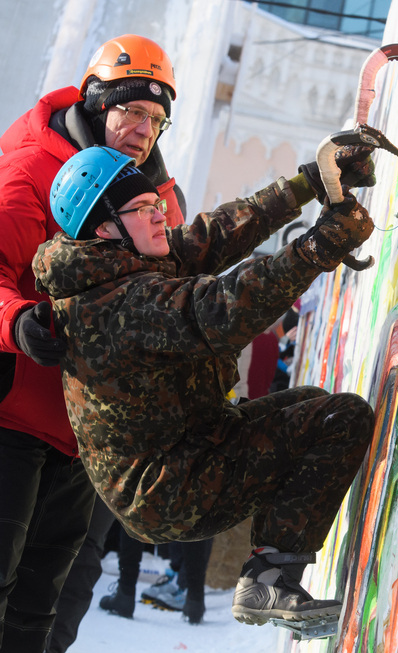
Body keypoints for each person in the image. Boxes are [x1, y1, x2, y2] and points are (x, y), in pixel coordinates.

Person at [35, 144, 377, 626]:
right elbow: (221, 309)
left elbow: (213, 236)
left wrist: (308, 184)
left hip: (190, 447)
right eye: (142, 210)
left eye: (156, 204)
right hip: (167, 486)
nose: (159, 217)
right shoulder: (115, 303)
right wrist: (316, 247)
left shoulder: (122, 261)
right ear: (103, 229)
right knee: (340, 418)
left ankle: (268, 571)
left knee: (312, 405)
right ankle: (270, 581)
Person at [0, 34, 184, 653]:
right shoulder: (30, 166)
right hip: (12, 417)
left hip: (93, 437)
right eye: (132, 111)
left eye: (156, 120)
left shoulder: (159, 198)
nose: (143, 130)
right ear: (97, 103)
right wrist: (19, 320)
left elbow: (181, 286)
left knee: (49, 611)